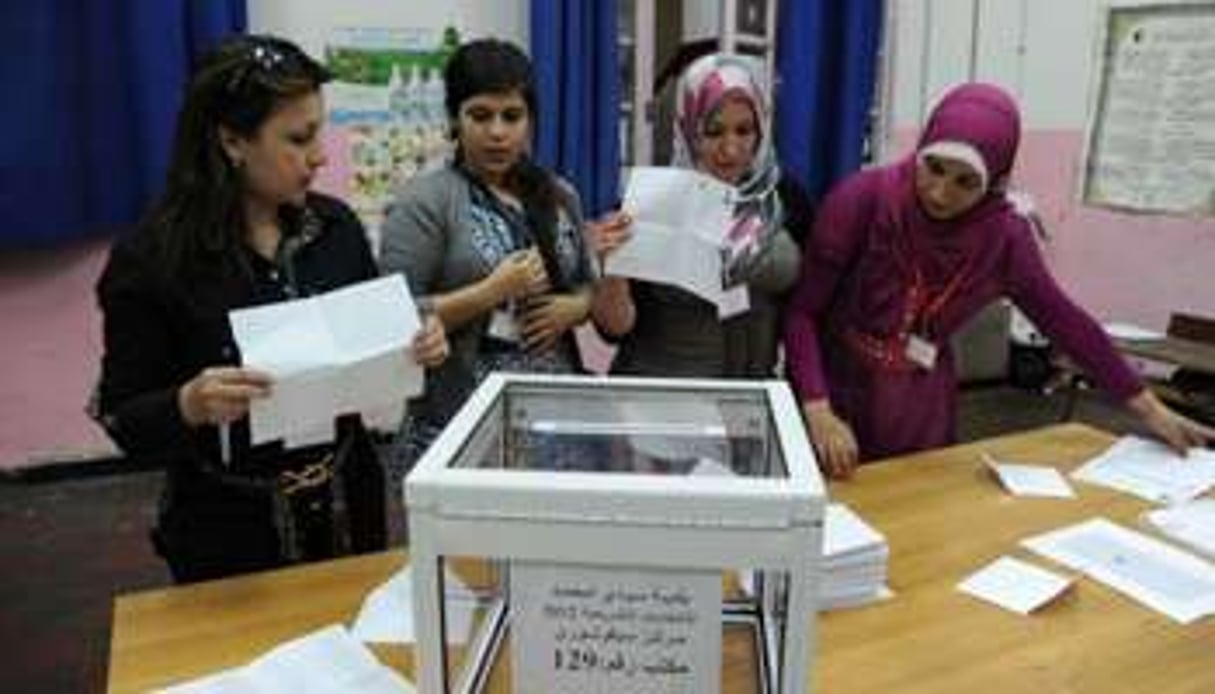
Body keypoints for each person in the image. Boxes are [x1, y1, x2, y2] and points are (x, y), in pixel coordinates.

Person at [95, 35, 448, 583]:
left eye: (320, 133)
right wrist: (188, 402)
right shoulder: (153, 260)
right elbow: (124, 417)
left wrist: (417, 342)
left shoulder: (335, 228)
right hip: (228, 528)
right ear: (233, 141)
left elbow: (372, 337)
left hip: (348, 504)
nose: (320, 155)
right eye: (299, 138)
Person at [782, 82, 1213, 479]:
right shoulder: (863, 201)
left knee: (919, 518)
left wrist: (1151, 410)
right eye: (933, 167)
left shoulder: (1003, 239)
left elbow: (1066, 323)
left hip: (918, 405)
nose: (939, 193)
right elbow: (803, 313)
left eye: (965, 182)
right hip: (838, 392)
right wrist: (817, 408)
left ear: (996, 181)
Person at [379, 38, 595, 463]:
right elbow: (393, 317)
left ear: (530, 120)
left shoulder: (559, 194)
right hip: (457, 424)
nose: (497, 132)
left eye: (512, 116)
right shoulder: (425, 201)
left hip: (555, 420)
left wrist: (575, 308)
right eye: (480, 115)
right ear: (454, 120)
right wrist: (490, 293)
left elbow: (587, 283)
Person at [591, 52, 814, 378]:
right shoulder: (653, 202)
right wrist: (612, 273)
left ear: (762, 128)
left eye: (744, 130)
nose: (731, 148)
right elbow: (614, 330)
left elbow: (807, 307)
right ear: (688, 127)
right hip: (663, 401)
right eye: (713, 132)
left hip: (750, 398)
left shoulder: (784, 197)